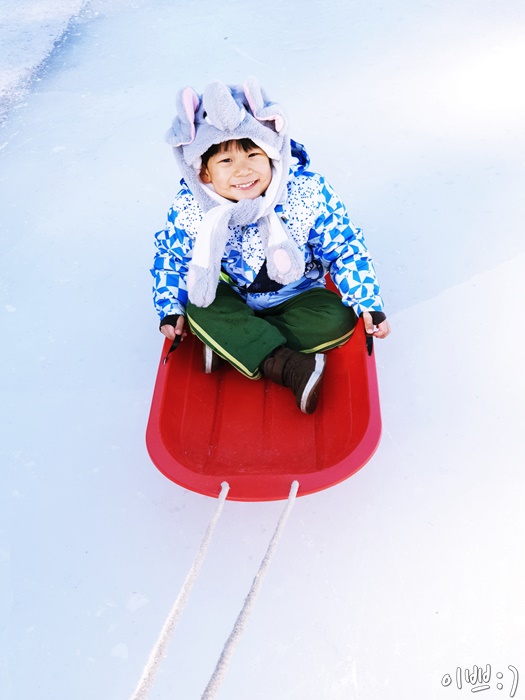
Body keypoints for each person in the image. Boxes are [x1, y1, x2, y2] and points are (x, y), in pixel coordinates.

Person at [151, 77, 390, 414]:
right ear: (204, 173)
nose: (243, 170)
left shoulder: (305, 194)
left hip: (299, 294)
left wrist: (368, 303)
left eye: (252, 154)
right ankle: (288, 365)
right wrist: (170, 308)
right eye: (226, 162)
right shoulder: (192, 208)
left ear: (273, 155)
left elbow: (345, 247)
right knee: (199, 309)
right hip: (233, 296)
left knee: (338, 319)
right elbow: (172, 259)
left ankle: (229, 344)